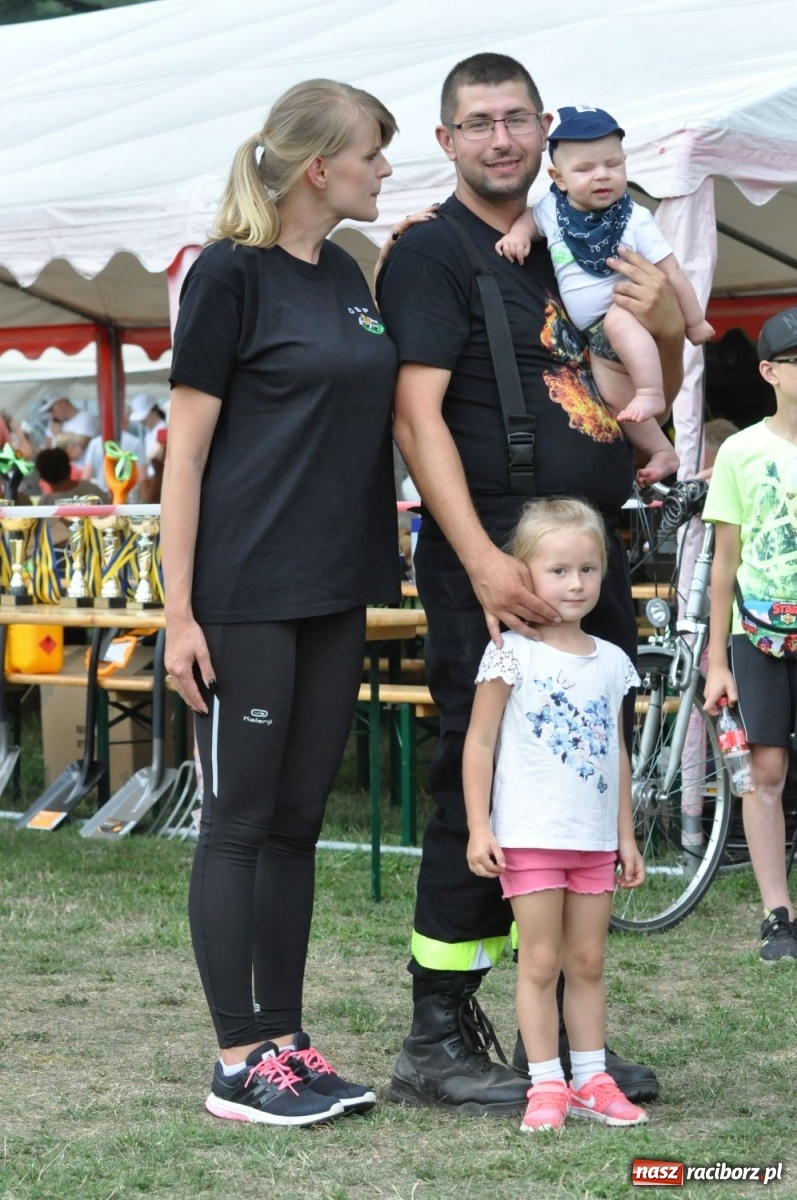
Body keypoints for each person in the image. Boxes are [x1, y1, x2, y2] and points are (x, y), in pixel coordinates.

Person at [377, 51, 686, 1116]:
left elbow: (643, 394)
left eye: (516, 119)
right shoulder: (432, 256)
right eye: (478, 123)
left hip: (580, 567)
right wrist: (477, 560)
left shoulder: (566, 238)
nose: (500, 139)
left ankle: (549, 1045)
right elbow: (415, 417)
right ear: (446, 139)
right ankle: (435, 1028)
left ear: (545, 127)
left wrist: (665, 319)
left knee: (568, 784)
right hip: (498, 566)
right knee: (482, 781)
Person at [161, 78, 400, 1127]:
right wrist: (178, 614)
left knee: (298, 821)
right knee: (240, 820)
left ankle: (285, 1043)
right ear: (320, 168)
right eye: (373, 153)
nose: (385, 168)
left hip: (335, 585)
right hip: (245, 592)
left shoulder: (348, 270)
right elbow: (185, 458)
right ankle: (233, 1062)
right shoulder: (228, 276)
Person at [464, 498, 647, 1132]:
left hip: (593, 840)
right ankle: (547, 1085)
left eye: (588, 570)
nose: (576, 584)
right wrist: (480, 825)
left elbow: (617, 755)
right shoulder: (512, 653)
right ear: (525, 573)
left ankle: (592, 1077)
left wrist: (624, 835)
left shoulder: (613, 662)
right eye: (559, 570)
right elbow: (479, 742)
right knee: (540, 963)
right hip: (530, 839)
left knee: (588, 961)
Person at [495, 106, 710, 486]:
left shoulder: (634, 219)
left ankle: (650, 391)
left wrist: (693, 322)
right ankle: (662, 450)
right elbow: (529, 220)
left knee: (618, 320)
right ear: (558, 178)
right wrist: (517, 234)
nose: (602, 176)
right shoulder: (552, 211)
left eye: (613, 165)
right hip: (597, 342)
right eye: (585, 169)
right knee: (612, 398)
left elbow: (672, 270)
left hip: (627, 312)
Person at [702, 308, 797, 962]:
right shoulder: (740, 450)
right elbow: (723, 563)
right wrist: (715, 660)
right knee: (764, 770)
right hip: (756, 631)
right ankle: (776, 913)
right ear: (767, 371)